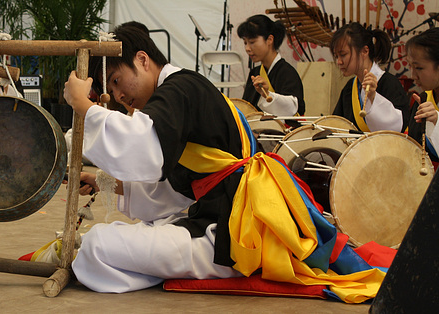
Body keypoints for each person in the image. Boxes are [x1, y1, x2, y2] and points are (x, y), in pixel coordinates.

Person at [62, 21, 383, 302]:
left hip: (232, 234)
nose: (118, 97)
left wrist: (83, 106)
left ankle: (180, 269)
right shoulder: (182, 87)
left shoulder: (179, 90)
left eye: (117, 81)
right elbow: (178, 184)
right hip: (233, 218)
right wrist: (109, 183)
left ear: (143, 60)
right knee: (125, 237)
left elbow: (144, 146)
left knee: (98, 245)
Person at [330, 22, 409, 132]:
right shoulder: (349, 88)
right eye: (336, 56)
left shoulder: (389, 84)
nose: (339, 62)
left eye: (343, 55)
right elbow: (337, 126)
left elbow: (398, 127)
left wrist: (373, 97)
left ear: (365, 51)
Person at [238, 15, 305, 116]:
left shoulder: (287, 72)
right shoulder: (254, 73)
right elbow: (247, 108)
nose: (247, 48)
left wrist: (268, 95)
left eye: (252, 42)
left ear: (269, 39)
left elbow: (294, 108)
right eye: (245, 43)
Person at [405, 28, 439, 160]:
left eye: (419, 68)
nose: (413, 76)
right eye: (411, 67)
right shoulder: (423, 98)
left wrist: (436, 120)